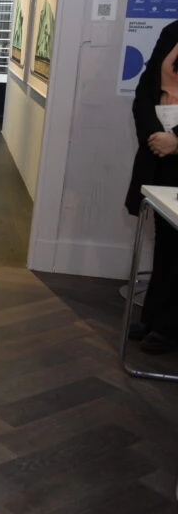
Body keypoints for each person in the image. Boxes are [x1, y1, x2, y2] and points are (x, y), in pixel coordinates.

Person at [125, 19, 178, 353]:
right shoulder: (172, 32)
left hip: (175, 146)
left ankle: (170, 326)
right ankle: (154, 316)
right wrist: (155, 136)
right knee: (165, 238)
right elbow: (144, 92)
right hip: (159, 149)